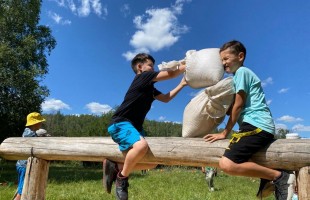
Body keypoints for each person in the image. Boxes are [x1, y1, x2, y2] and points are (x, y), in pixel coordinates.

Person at [203, 40, 295, 200]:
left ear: (240, 56)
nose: (223, 63)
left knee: (227, 164)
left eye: (226, 58)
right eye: (221, 60)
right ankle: (269, 178)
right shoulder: (238, 77)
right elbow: (235, 105)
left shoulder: (242, 73)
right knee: (243, 158)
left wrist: (225, 132)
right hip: (255, 127)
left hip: (257, 125)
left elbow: (238, 106)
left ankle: (280, 177)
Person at [104, 53, 187, 200]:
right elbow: (171, 73)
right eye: (150, 65)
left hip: (134, 127)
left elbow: (166, 99)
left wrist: (181, 84)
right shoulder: (142, 77)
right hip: (120, 122)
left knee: (152, 162)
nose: (153, 68)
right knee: (141, 147)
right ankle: (122, 179)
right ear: (140, 67)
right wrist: (189, 64)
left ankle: (116, 166)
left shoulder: (150, 88)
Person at [14, 112, 46, 200]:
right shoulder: (31, 134)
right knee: (22, 191)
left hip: (21, 164)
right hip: (25, 165)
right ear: (35, 123)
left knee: (22, 188)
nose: (41, 123)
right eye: (40, 122)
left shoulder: (28, 132)